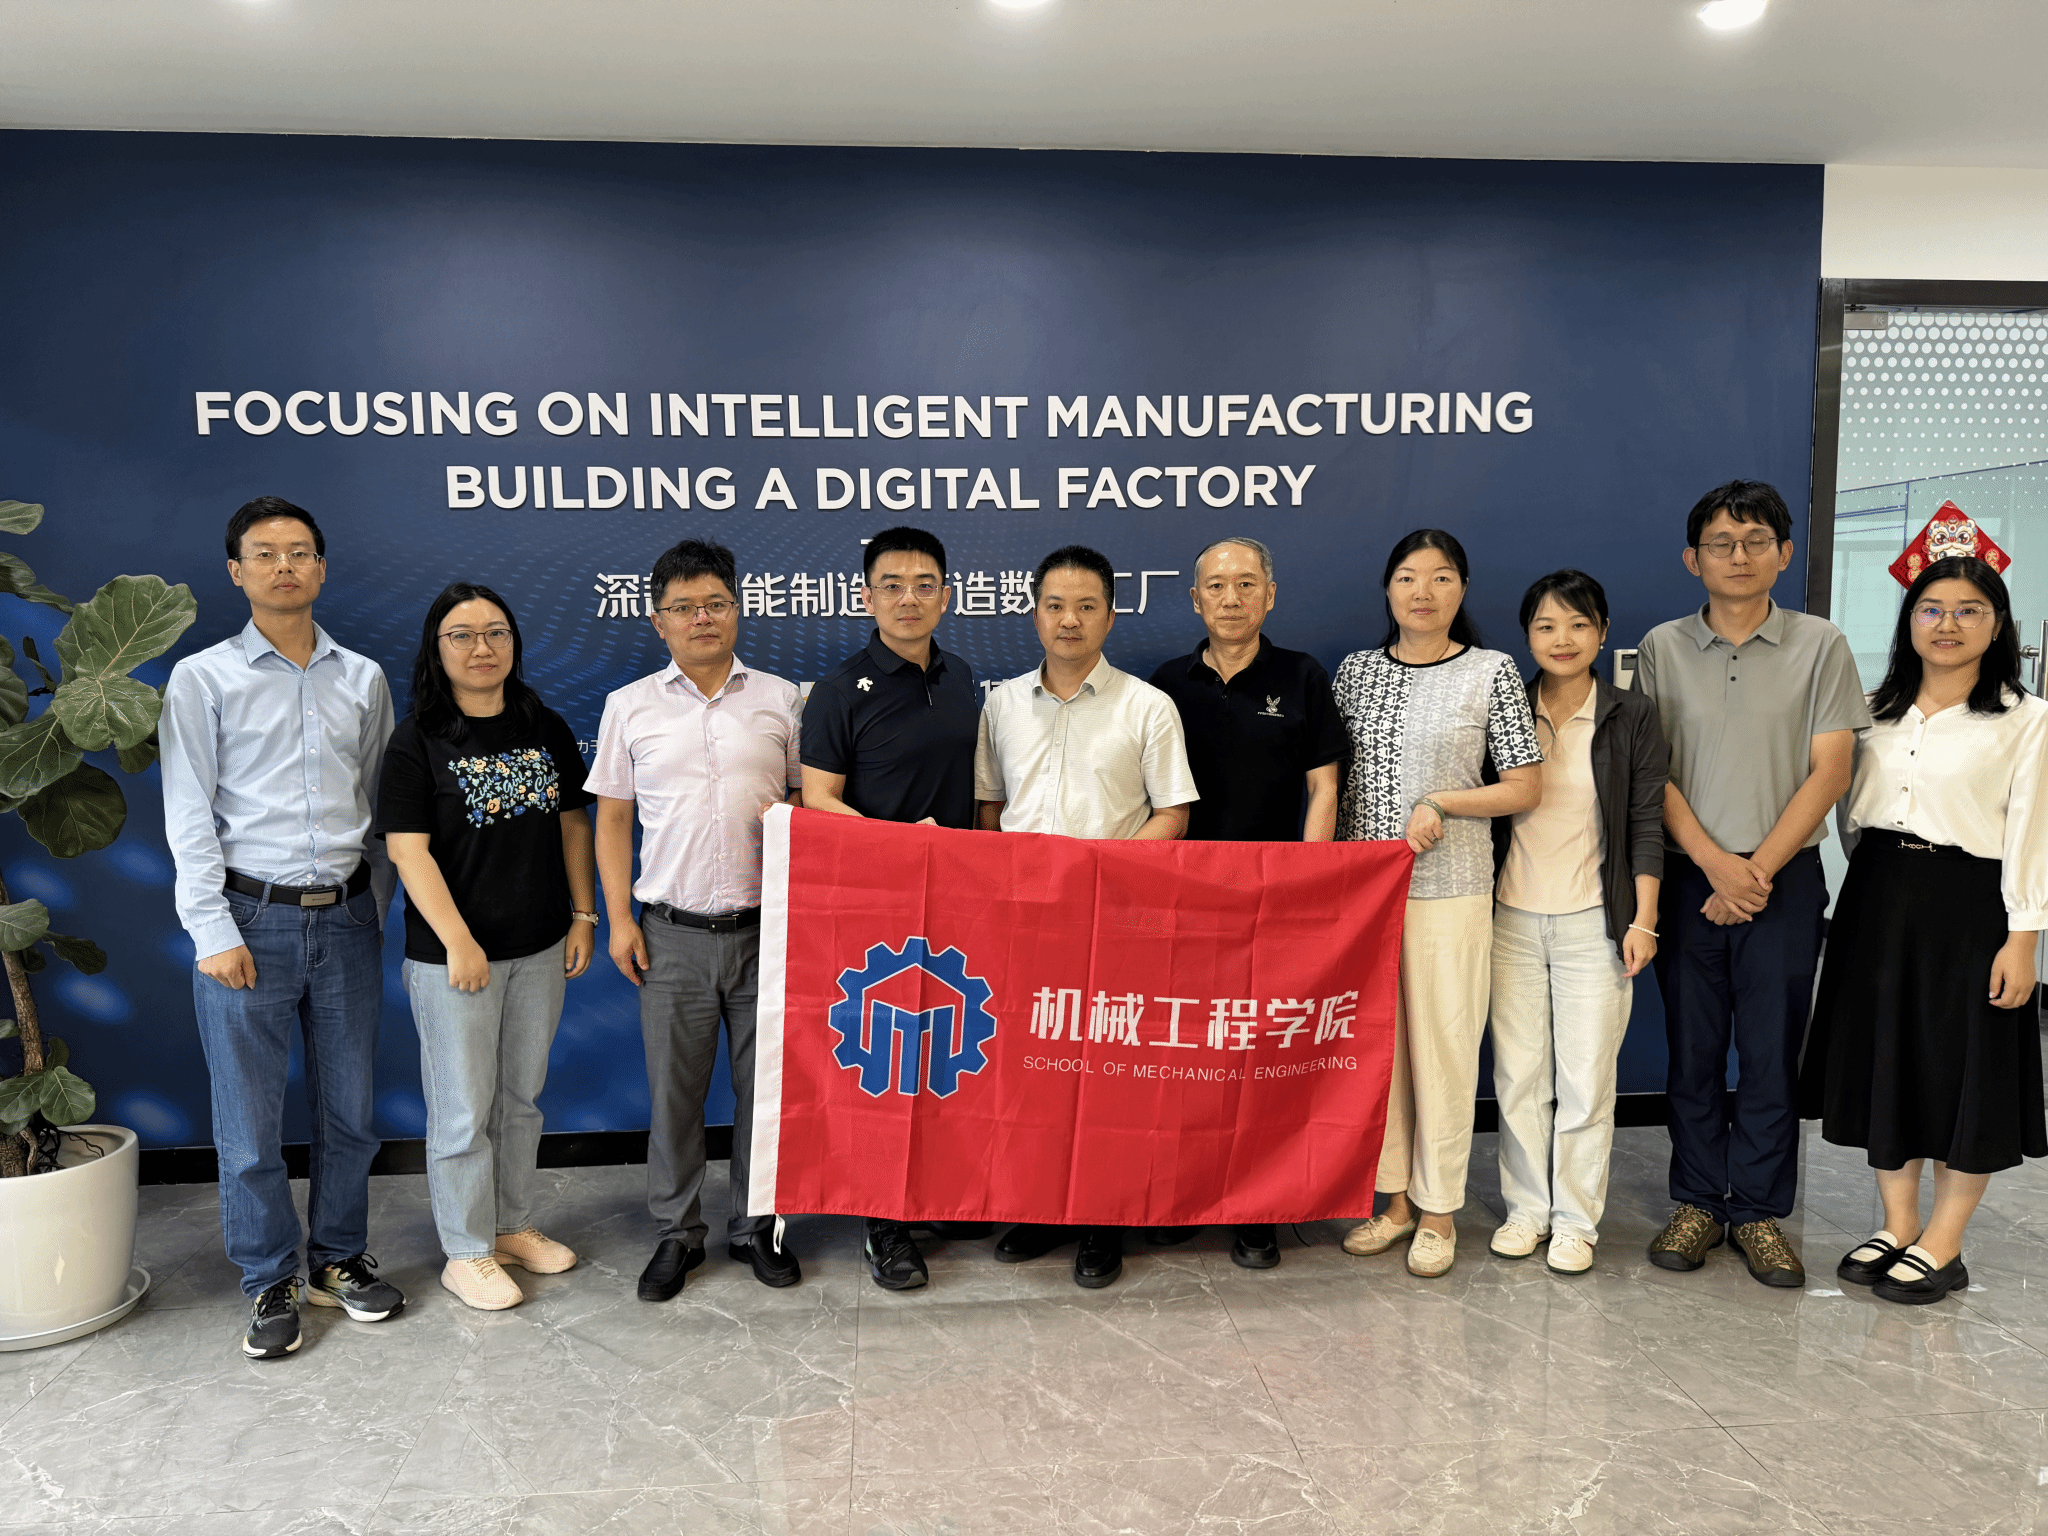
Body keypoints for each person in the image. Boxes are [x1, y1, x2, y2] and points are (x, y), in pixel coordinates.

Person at [160, 495, 406, 1359]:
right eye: (264, 554)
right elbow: (187, 812)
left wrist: (373, 905)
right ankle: (269, 1277)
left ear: (322, 568)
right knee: (250, 1124)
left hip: (346, 920)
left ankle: (337, 1259)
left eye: (299, 552)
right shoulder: (203, 679)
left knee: (350, 1113)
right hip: (247, 920)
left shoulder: (363, 678)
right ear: (237, 572)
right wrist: (211, 930)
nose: (284, 566)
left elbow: (379, 808)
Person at [1633, 480, 1869, 1287]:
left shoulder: (1821, 645)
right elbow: (1652, 771)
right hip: (1690, 878)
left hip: (1782, 882)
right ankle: (1700, 1200)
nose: (1739, 556)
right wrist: (1712, 862)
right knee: (1693, 1050)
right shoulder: (1662, 647)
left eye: (1756, 541)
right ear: (1692, 559)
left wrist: (1755, 871)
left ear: (1785, 552)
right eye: (1721, 543)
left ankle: (1759, 1212)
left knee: (1769, 1054)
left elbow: (1831, 770)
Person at [1800, 557, 2047, 1304]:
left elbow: (2033, 833)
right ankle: (1898, 1224)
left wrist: (2024, 937)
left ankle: (1945, 1240)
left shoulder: (2026, 719)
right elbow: (1848, 813)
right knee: (1888, 1061)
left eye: (1969, 610)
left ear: (1997, 626)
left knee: (1965, 1071)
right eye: (1932, 608)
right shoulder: (1873, 710)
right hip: (1878, 896)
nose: (1948, 624)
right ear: (1910, 620)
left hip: (1972, 907)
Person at [974, 544, 1200, 1287]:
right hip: (1025, 921)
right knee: (1032, 1069)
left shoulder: (1147, 706)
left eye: (1085, 606)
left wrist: (1104, 874)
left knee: (1108, 1075)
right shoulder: (1002, 704)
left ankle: (1104, 1217)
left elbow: (1173, 814)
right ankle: (1042, 1208)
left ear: (1109, 615)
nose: (1068, 620)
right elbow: (989, 809)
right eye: (1055, 605)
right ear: (1034, 613)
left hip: (1116, 919)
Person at [587, 538, 804, 1301]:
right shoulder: (630, 706)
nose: (701, 618)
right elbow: (613, 819)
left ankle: (755, 1225)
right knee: (674, 1096)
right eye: (683, 607)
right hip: (670, 934)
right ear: (659, 621)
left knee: (764, 1094)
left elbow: (808, 806)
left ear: (737, 610)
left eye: (714, 603)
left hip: (766, 932)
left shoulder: (781, 699)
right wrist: (619, 919)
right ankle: (676, 1232)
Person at [376, 583, 598, 1311]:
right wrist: (460, 942)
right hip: (455, 959)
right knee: (462, 1111)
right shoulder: (416, 740)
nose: (482, 648)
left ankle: (509, 1225)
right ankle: (465, 1251)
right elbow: (407, 851)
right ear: (436, 649)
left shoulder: (544, 724)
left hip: (539, 949)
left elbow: (573, 823)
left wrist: (584, 914)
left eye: (496, 632)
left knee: (520, 1101)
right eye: (463, 635)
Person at [1334, 528, 1542, 1279]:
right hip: (1365, 897)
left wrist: (1444, 801)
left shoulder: (1491, 671)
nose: (1423, 591)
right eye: (1408, 577)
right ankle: (1392, 1201)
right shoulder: (1354, 673)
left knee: (1445, 1052)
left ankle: (1439, 1211)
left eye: (1442, 577)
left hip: (1449, 893)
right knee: (1380, 1057)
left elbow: (1525, 786)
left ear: (1462, 588)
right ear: (1388, 589)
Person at [1146, 534, 1346, 1269]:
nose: (1231, 598)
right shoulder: (1166, 683)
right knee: (1186, 1058)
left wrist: (1307, 884)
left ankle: (1256, 1211)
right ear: (1195, 599)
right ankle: (1183, 1195)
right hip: (1184, 902)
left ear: (1270, 594)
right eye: (1216, 586)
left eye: (1246, 584)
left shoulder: (1301, 676)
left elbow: (1323, 787)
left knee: (1259, 1061)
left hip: (1271, 902)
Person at [801, 526, 991, 1292]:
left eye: (923, 585)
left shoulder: (963, 677)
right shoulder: (839, 690)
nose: (908, 599)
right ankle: (884, 1223)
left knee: (948, 1057)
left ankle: (934, 1196)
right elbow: (818, 800)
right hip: (877, 914)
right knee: (886, 1067)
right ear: (866, 596)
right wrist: (900, 846)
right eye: (891, 585)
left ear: (947, 595)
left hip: (959, 904)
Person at [1486, 570, 1668, 1275]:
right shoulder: (1507, 706)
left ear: (1603, 631)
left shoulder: (1630, 713)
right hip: (1510, 918)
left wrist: (1644, 919)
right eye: (1546, 626)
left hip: (1596, 921)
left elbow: (1645, 821)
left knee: (1588, 1081)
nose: (1562, 639)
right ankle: (1527, 1211)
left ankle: (1574, 1221)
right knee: (1519, 1077)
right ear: (1527, 636)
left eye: (1578, 624)